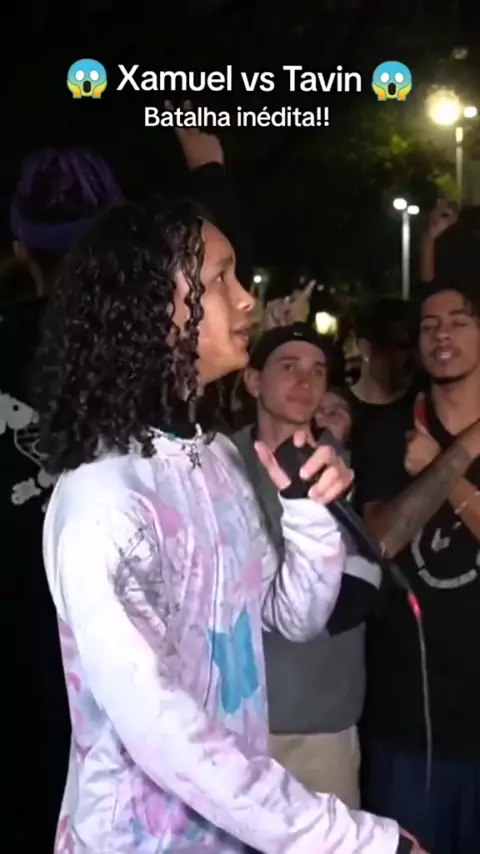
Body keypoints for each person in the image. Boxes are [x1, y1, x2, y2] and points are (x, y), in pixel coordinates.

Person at [35, 197, 420, 854]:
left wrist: (307, 515)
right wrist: (348, 839)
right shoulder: (103, 496)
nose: (246, 300)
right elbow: (163, 729)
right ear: (153, 307)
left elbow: (290, 617)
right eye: (219, 279)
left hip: (230, 834)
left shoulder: (213, 459)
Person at [232, 324, 379, 807]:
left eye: (318, 370)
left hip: (324, 718)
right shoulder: (217, 461)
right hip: (237, 720)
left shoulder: (346, 468)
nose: (305, 380)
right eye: (288, 366)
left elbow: (368, 575)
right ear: (253, 380)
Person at [360, 282, 480, 854]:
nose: (442, 335)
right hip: (410, 725)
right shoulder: (389, 433)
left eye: (459, 321)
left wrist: (446, 467)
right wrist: (456, 458)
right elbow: (380, 541)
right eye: (430, 325)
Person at [348, 298, 416, 512]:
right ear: (366, 349)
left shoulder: (423, 409)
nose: (412, 357)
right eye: (401, 347)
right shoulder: (334, 410)